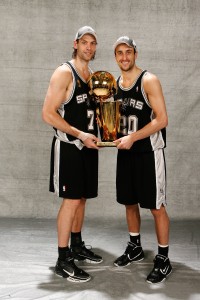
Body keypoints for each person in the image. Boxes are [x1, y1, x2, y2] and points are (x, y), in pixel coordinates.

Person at [42, 26, 103, 283]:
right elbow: (48, 113)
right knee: (71, 200)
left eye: (93, 43)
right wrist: (79, 135)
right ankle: (62, 259)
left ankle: (76, 245)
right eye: (84, 42)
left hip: (89, 146)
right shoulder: (64, 72)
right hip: (69, 146)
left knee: (82, 199)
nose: (89, 47)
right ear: (75, 44)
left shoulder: (92, 75)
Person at [112, 36, 172, 284]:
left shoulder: (149, 80)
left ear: (136, 53)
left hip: (149, 152)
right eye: (119, 53)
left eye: (128, 52)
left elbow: (162, 119)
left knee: (156, 207)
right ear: (115, 57)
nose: (124, 57)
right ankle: (135, 246)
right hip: (125, 153)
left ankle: (163, 258)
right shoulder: (114, 84)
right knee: (129, 202)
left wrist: (133, 138)